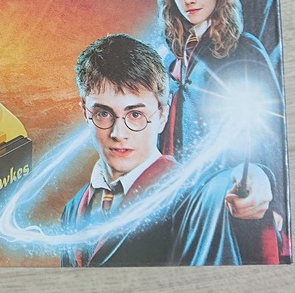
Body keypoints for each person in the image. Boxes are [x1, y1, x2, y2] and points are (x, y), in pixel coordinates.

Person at [60, 34, 270, 266]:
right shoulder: (72, 209)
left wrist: (256, 175)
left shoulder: (187, 195)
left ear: (162, 115)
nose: (118, 133)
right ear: (85, 113)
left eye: (135, 114)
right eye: (103, 113)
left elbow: (213, 193)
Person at [158, 0, 288, 261]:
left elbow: (272, 126)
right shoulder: (171, 62)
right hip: (181, 205)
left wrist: (277, 200)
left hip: (234, 199)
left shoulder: (243, 49)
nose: (189, 0)